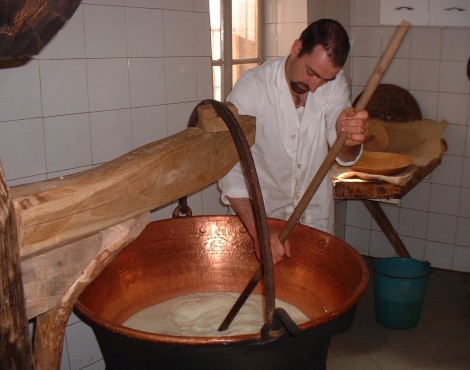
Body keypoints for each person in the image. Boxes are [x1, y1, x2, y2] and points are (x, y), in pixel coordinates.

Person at [218, 19, 368, 264]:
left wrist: (349, 138)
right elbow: (229, 166)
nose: (315, 87)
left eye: (325, 80)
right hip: (260, 219)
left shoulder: (333, 83)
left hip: (315, 218)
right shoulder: (253, 87)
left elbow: (343, 151)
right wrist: (261, 232)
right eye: (311, 73)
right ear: (297, 48)